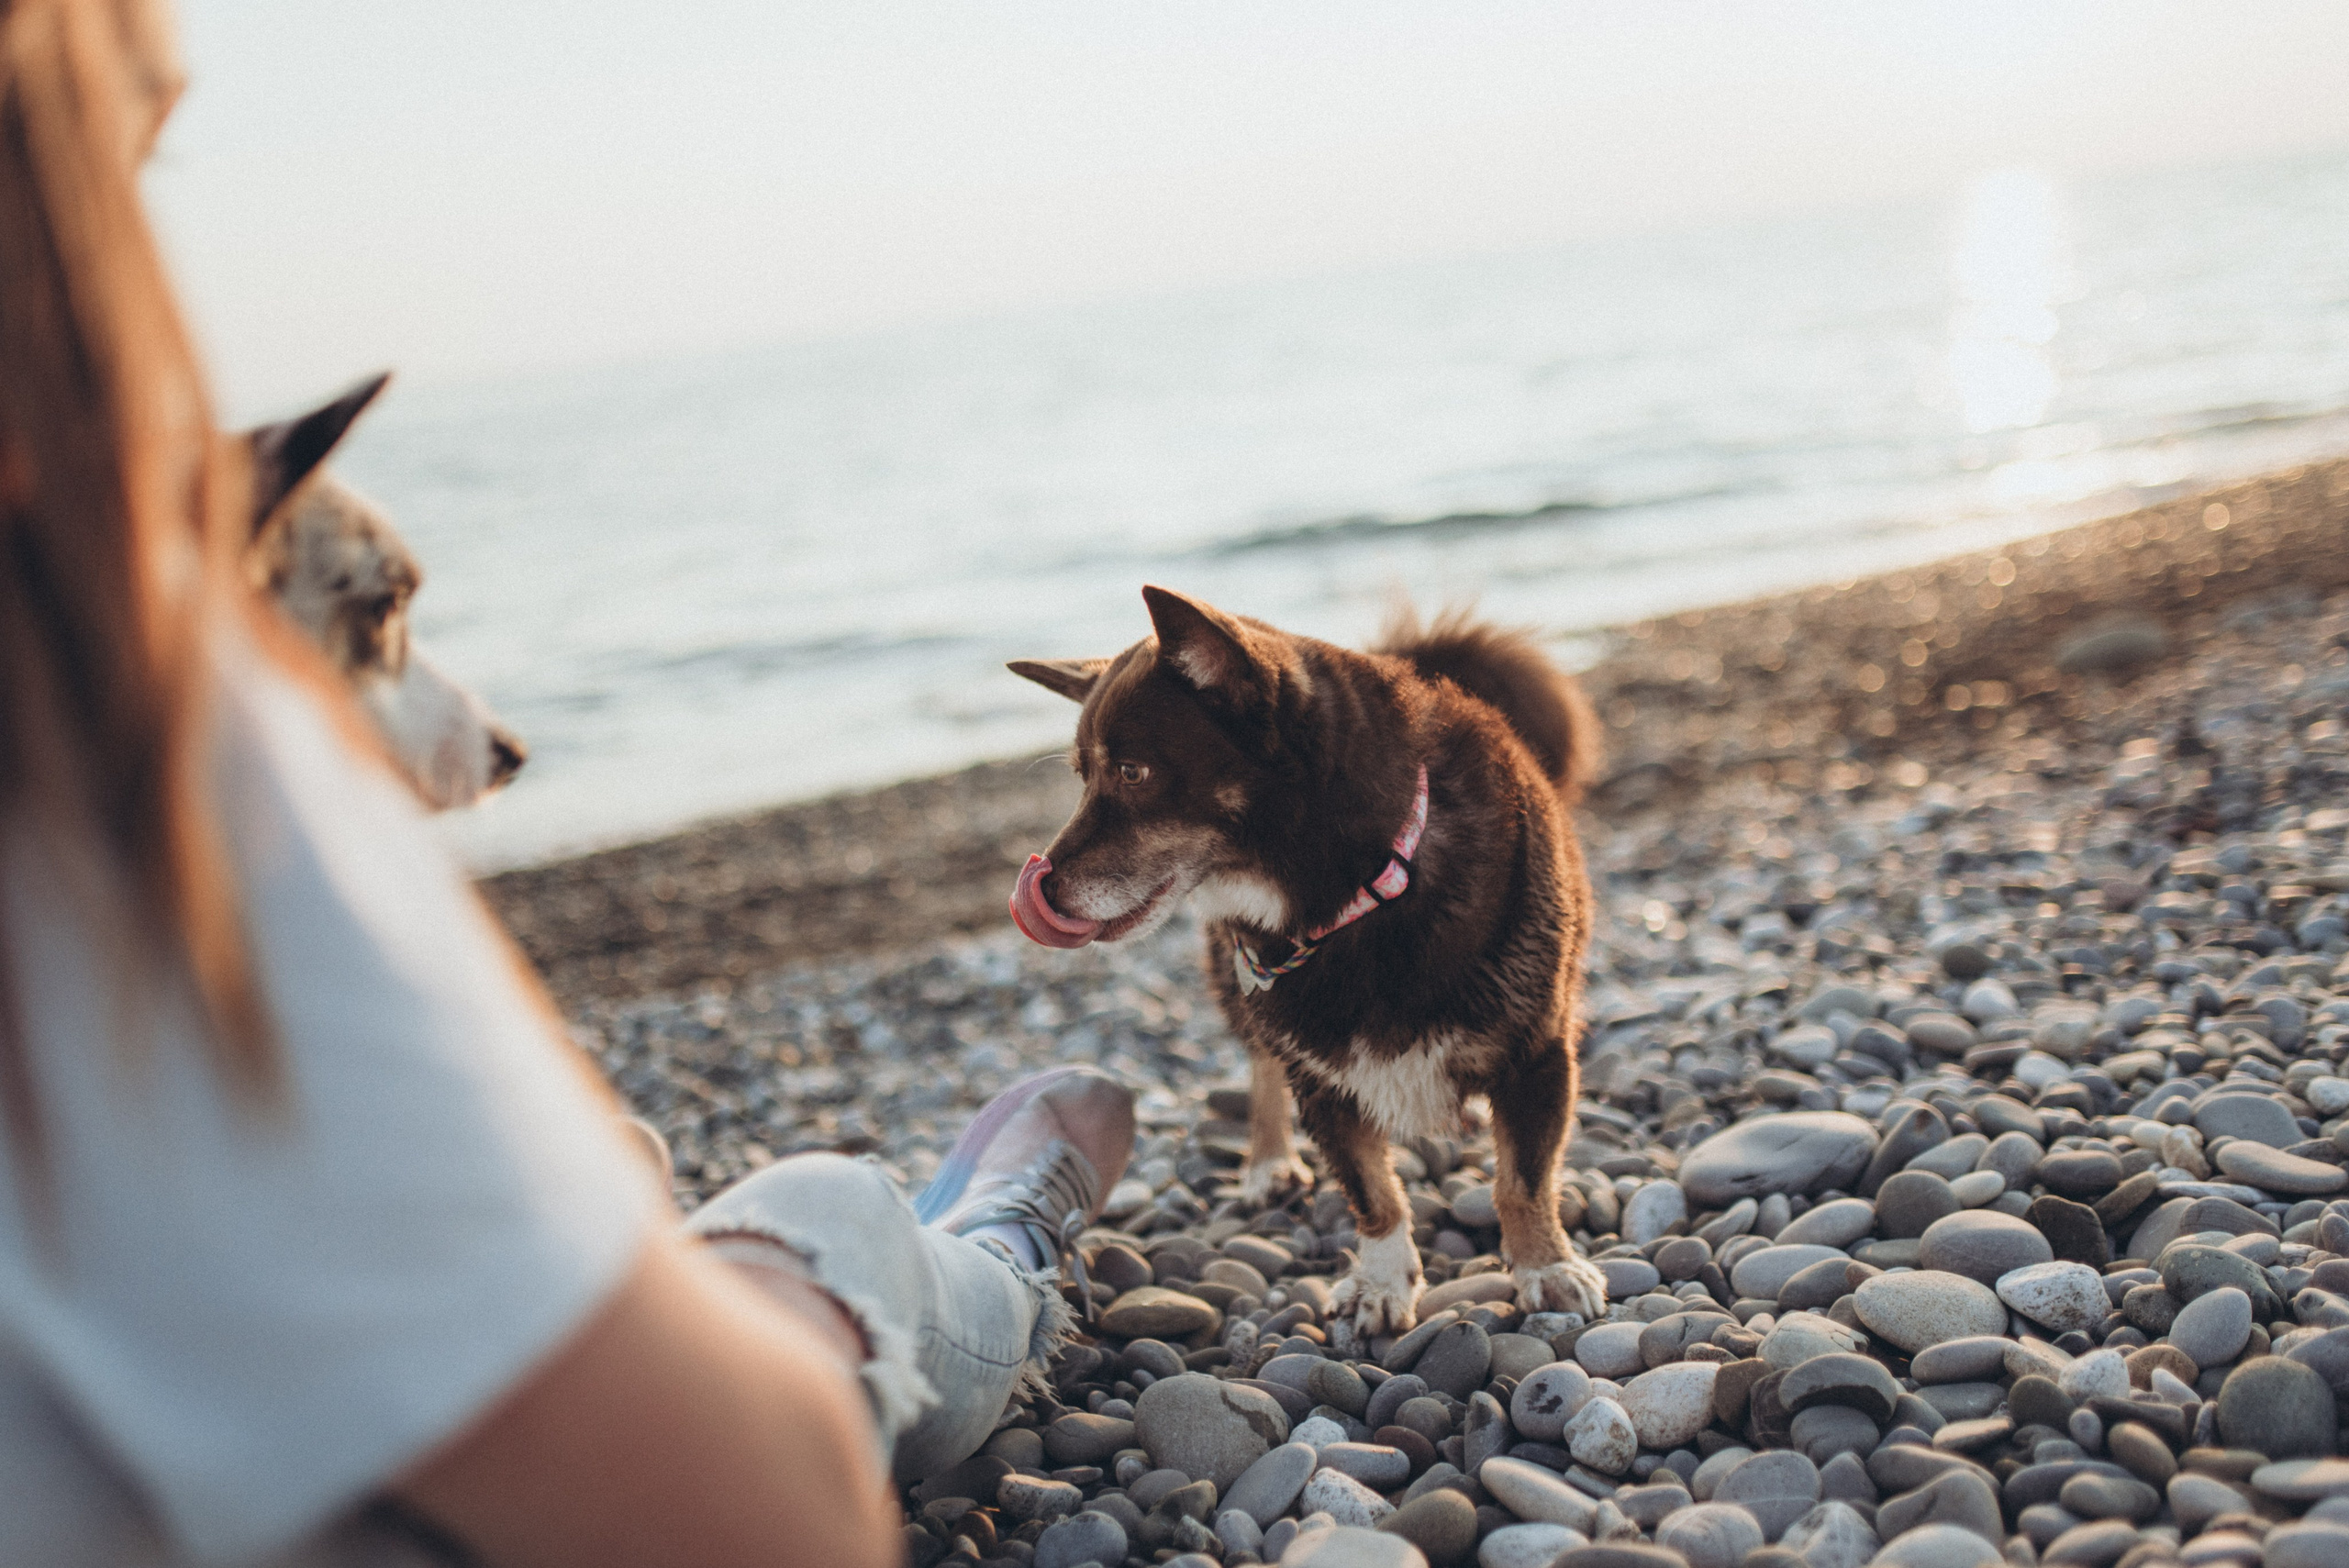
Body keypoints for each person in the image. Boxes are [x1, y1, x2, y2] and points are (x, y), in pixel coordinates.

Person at [0, 1, 1134, 1562]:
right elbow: (769, 1520)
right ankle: (1007, 1222)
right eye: (126, 154)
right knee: (827, 1216)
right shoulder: (109, 768)